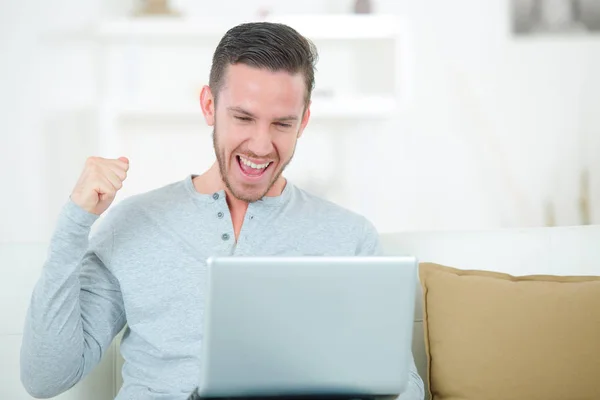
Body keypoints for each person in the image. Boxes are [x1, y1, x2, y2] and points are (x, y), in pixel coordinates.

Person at [20, 21, 424, 400]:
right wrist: (76, 220)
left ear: (304, 121)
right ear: (209, 105)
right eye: (243, 117)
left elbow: (402, 384)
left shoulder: (348, 237)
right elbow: (45, 377)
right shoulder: (133, 223)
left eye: (282, 124)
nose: (261, 145)